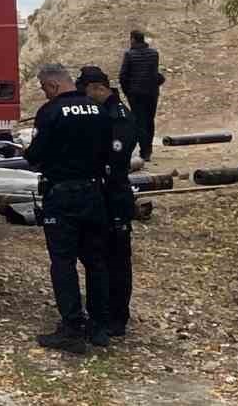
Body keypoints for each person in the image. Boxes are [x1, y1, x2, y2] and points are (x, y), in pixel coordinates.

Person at [24, 63, 112, 354]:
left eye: (43, 88)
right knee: (95, 261)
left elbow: (35, 155)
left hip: (61, 195)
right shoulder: (98, 109)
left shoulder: (50, 112)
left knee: (63, 262)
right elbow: (108, 151)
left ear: (53, 85)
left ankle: (72, 328)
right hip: (94, 192)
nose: (44, 93)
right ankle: (99, 326)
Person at [78, 65, 137, 338]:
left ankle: (117, 317)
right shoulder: (104, 112)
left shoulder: (118, 117)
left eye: (87, 93)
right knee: (99, 255)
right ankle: (101, 312)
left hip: (115, 194)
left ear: (98, 88)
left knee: (117, 259)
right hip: (102, 193)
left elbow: (115, 160)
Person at [118, 30, 165, 161]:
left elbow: (123, 76)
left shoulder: (129, 54)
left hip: (135, 94)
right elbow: (154, 74)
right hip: (151, 93)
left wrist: (127, 91)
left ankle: (144, 150)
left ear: (133, 39)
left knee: (139, 121)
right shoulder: (154, 54)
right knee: (149, 120)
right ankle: (148, 150)